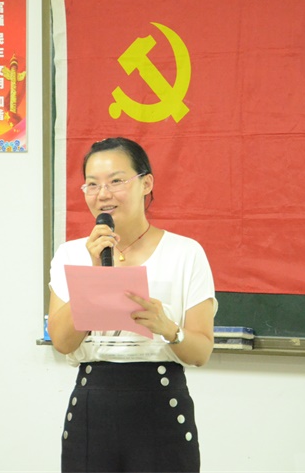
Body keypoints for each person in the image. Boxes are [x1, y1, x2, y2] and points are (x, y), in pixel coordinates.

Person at [47, 137, 217, 473]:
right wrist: (94, 274)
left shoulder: (185, 253)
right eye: (92, 184)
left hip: (161, 404)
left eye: (116, 181)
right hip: (92, 407)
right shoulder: (71, 254)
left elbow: (201, 352)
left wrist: (168, 329)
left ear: (146, 183)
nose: (103, 194)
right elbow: (63, 342)